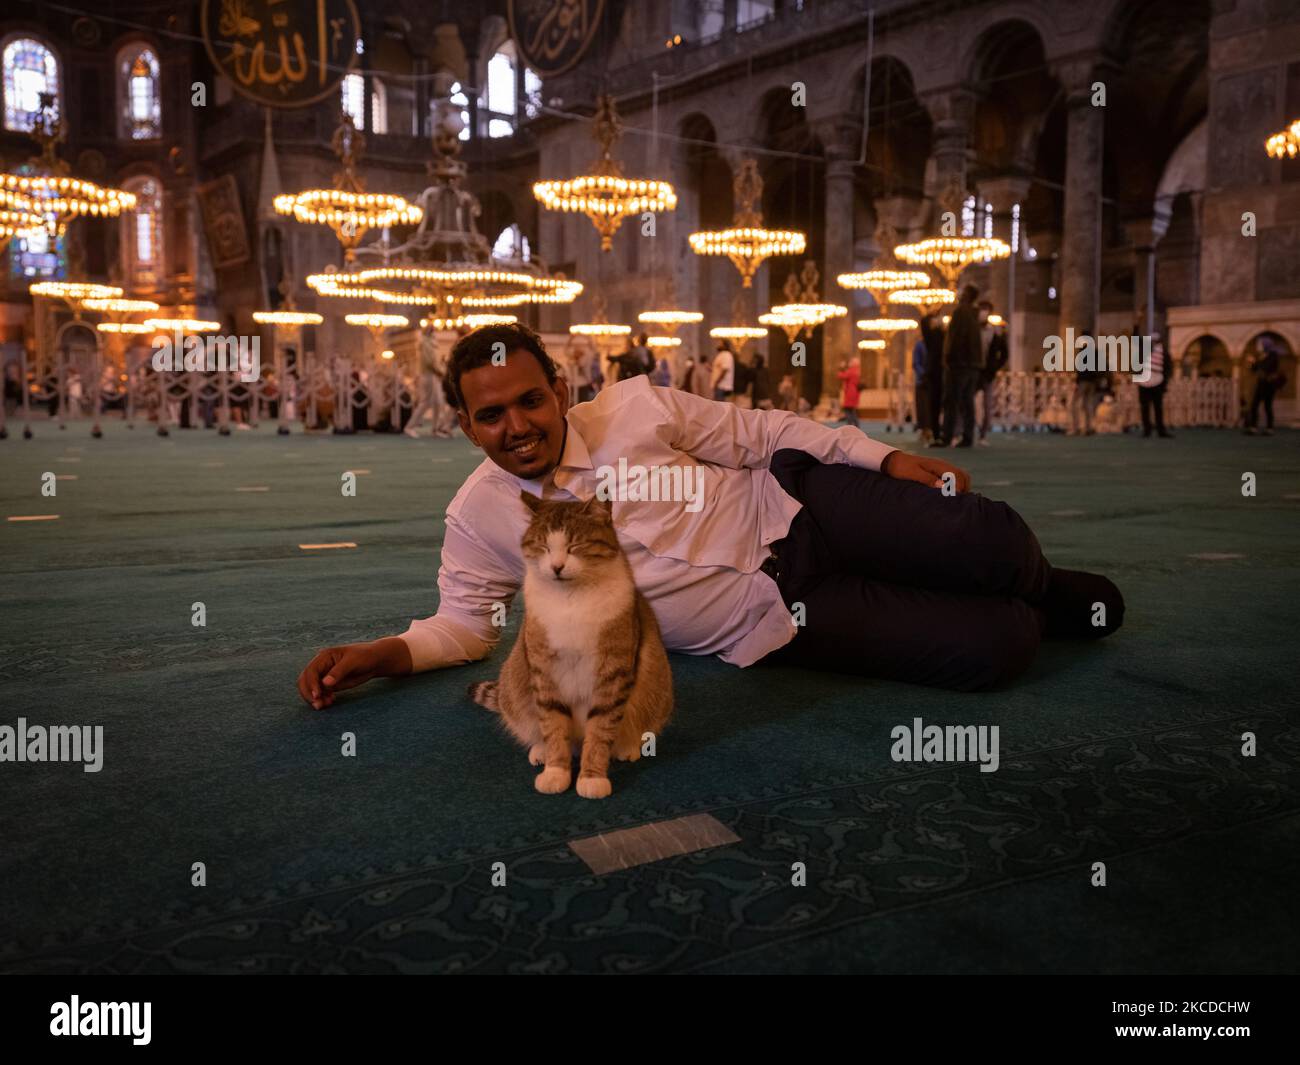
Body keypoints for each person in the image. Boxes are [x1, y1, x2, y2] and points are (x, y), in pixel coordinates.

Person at [298, 323, 1124, 709]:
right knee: (995, 650)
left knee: (986, 535)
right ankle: (1023, 607)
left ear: (559, 388)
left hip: (806, 511)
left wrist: (883, 458)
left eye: (529, 401)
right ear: (464, 423)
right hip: (770, 620)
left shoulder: (634, 406)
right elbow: (467, 624)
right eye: (491, 416)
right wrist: (385, 653)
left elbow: (765, 432)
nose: (516, 427)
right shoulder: (479, 513)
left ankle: (1043, 585)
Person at [933, 285, 983, 449]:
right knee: (967, 402)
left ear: (967, 295)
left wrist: (949, 359)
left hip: (959, 366)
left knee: (952, 401)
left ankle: (947, 436)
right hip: (973, 366)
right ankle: (967, 436)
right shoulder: (975, 315)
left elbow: (956, 339)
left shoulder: (961, 312)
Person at [977, 302, 1008, 446]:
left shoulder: (995, 332)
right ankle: (964, 433)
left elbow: (1004, 353)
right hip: (974, 372)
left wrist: (995, 367)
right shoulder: (973, 329)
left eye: (986, 311)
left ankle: (983, 435)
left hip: (988, 374)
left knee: (987, 406)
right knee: (966, 405)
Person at [1244, 336, 1285, 436]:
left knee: (1268, 406)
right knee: (1254, 405)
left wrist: (1255, 362)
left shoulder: (1272, 355)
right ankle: (1253, 427)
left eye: (1259, 344)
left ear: (1265, 345)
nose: (1257, 346)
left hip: (1269, 384)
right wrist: (1251, 364)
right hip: (1261, 383)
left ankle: (1270, 428)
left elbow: (1266, 367)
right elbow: (1255, 370)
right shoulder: (1261, 356)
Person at [1138, 337, 1173, 439]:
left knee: (1158, 408)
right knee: (1145, 408)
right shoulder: (1143, 351)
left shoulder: (1164, 353)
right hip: (1143, 383)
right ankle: (1147, 430)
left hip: (1157, 382)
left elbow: (1167, 368)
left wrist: (1164, 384)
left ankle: (1160, 430)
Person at [1069, 338, 1104, 436]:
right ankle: (1088, 427)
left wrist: (1077, 382)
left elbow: (1080, 368)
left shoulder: (1082, 352)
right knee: (1087, 405)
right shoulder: (1095, 353)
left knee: (1074, 404)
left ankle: (1076, 427)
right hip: (1092, 382)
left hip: (1083, 381)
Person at [921, 312, 945, 441]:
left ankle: (944, 433)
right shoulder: (931, 337)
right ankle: (936, 433)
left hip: (946, 375)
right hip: (935, 375)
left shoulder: (946, 335)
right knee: (934, 406)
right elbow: (924, 324)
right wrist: (930, 314)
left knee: (943, 406)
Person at [912, 330, 931, 442]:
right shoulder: (919, 345)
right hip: (922, 381)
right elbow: (916, 363)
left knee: (930, 407)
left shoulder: (935, 344)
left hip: (933, 381)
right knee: (922, 407)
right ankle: (924, 429)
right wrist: (923, 374)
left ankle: (931, 429)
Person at [837, 356, 860, 428]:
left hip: (850, 392)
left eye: (850, 362)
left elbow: (841, 376)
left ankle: (851, 426)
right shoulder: (857, 370)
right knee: (851, 410)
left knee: (848, 409)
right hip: (854, 391)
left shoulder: (852, 370)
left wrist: (841, 368)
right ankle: (855, 426)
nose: (849, 363)